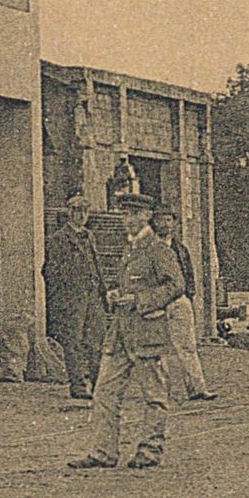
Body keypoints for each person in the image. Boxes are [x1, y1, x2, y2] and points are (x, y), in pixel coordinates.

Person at [66, 190, 185, 470]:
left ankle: (150, 450)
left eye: (133, 214)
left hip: (147, 333)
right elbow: (134, 284)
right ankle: (103, 451)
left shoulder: (158, 249)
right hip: (120, 334)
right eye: (124, 214)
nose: (126, 219)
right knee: (104, 392)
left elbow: (176, 285)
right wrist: (117, 293)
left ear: (146, 216)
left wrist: (140, 300)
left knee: (153, 395)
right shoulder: (129, 248)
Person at [43, 194, 108, 400]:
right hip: (72, 298)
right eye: (77, 211)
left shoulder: (89, 236)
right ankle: (78, 386)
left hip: (93, 295)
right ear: (69, 213)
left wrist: (102, 290)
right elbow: (50, 271)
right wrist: (64, 294)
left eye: (84, 211)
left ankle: (99, 384)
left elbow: (96, 266)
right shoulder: (59, 238)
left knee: (96, 341)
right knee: (74, 342)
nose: (81, 216)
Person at [150, 207, 215, 402]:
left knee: (187, 346)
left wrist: (189, 297)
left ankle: (197, 387)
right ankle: (161, 392)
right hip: (158, 302)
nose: (165, 224)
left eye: (169, 220)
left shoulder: (180, 249)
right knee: (159, 349)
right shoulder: (148, 249)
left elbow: (189, 275)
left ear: (174, 224)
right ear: (155, 223)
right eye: (161, 220)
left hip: (179, 301)